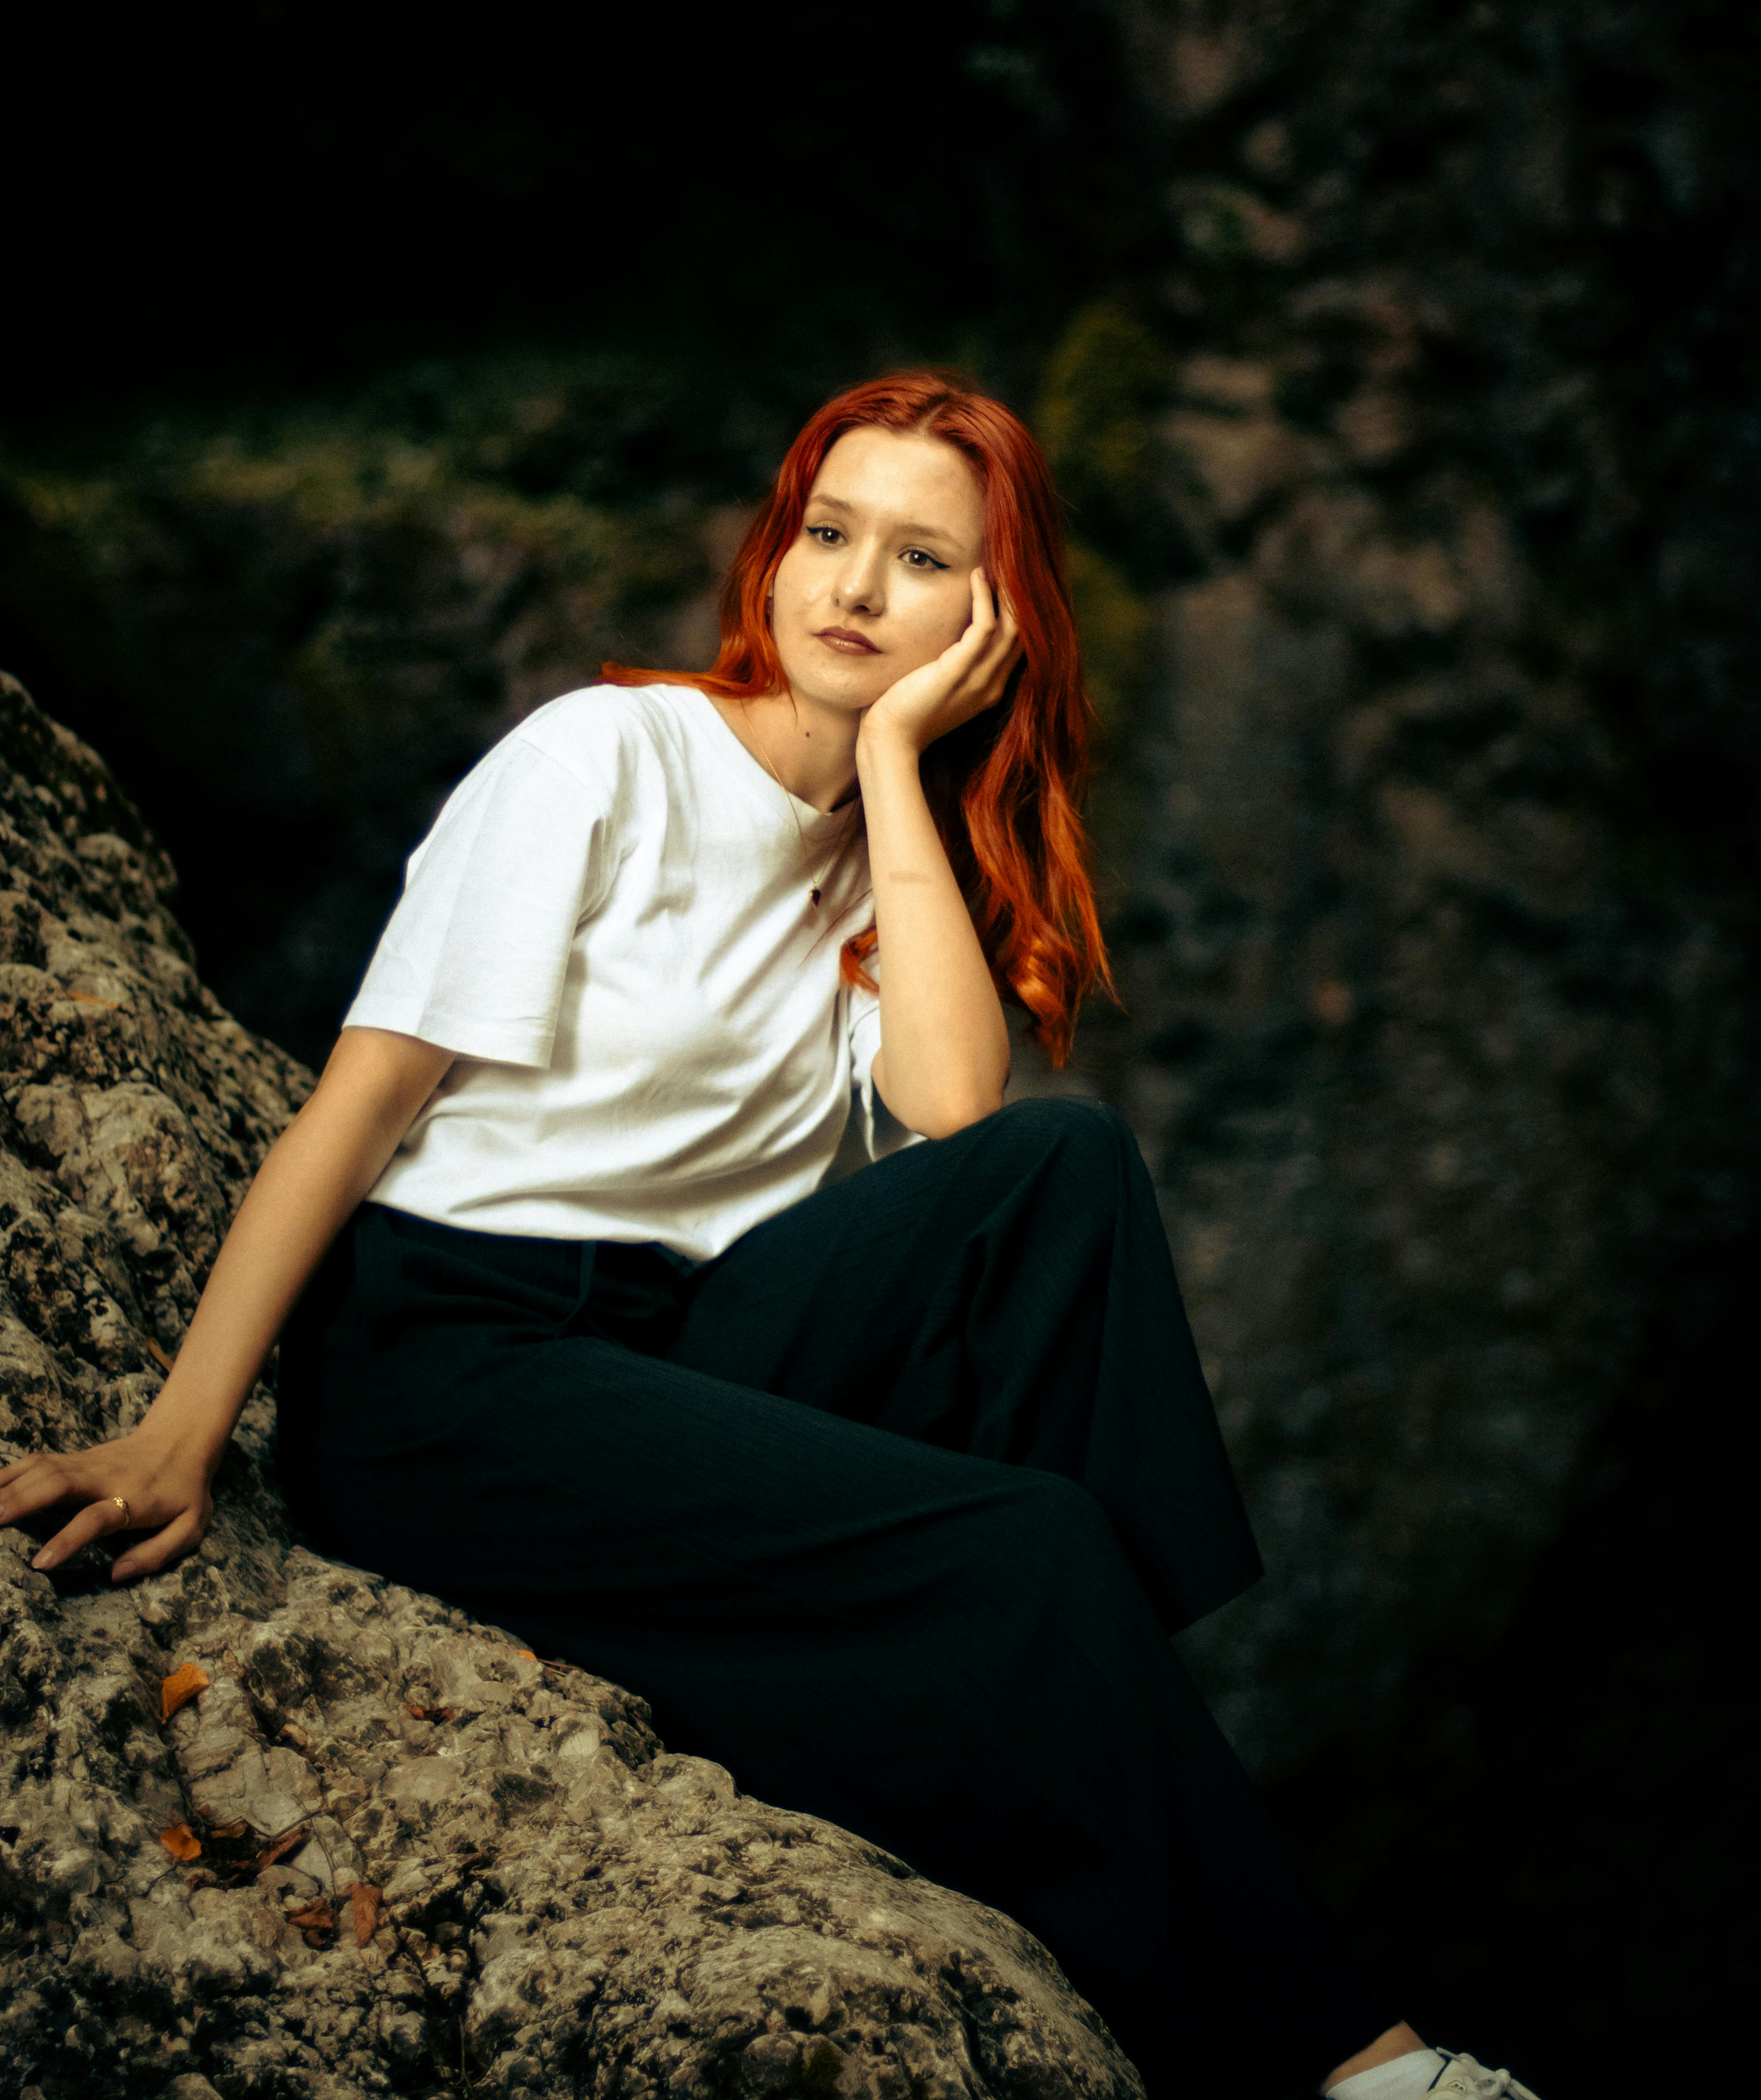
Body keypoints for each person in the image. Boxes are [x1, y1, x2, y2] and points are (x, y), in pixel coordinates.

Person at [0, 373, 1540, 2100]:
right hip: (456, 1375)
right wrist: (179, 1432)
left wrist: (892, 763)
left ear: (994, 618)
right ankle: (1365, 2061)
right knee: (1027, 1545)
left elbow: (962, 1110)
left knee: (1064, 1176)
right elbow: (356, 1110)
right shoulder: (606, 755)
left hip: (673, 1347)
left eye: (919, 558)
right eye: (828, 533)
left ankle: (1047, 1704)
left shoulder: (881, 864)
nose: (854, 588)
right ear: (775, 550)